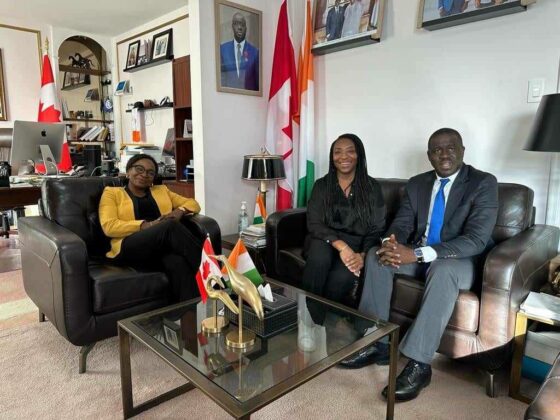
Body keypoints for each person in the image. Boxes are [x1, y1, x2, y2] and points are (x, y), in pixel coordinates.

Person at [340, 128, 499, 402]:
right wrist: (391, 244)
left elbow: (474, 239)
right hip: (418, 253)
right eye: (437, 150)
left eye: (451, 147)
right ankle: (375, 341)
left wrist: (419, 254)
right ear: (429, 156)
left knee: (442, 268)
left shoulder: (483, 183)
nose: (444, 154)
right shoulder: (417, 184)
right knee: (379, 258)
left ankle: (419, 364)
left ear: (463, 150)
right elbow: (401, 224)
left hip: (460, 260)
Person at [302, 134, 386, 324]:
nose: (343, 157)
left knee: (340, 278)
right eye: (337, 152)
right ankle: (307, 319)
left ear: (359, 155)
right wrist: (341, 246)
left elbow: (376, 228)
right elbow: (314, 223)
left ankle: (323, 324)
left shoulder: (372, 188)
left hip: (357, 245)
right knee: (319, 256)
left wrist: (363, 256)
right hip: (325, 239)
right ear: (332, 157)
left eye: (350, 151)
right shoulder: (322, 185)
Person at [99, 154, 203, 302]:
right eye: (139, 169)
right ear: (128, 171)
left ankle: (190, 315)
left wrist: (179, 211)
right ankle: (214, 273)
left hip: (158, 249)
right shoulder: (112, 193)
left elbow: (194, 204)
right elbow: (109, 226)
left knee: (177, 263)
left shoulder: (162, 191)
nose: (144, 174)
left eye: (150, 172)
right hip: (128, 246)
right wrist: (147, 225)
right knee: (170, 225)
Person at [220, 12, 259, 91]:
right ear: (232, 26)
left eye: (242, 24)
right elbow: (222, 79)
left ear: (246, 28)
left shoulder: (254, 52)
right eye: (236, 24)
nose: (240, 27)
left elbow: (257, 83)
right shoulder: (223, 49)